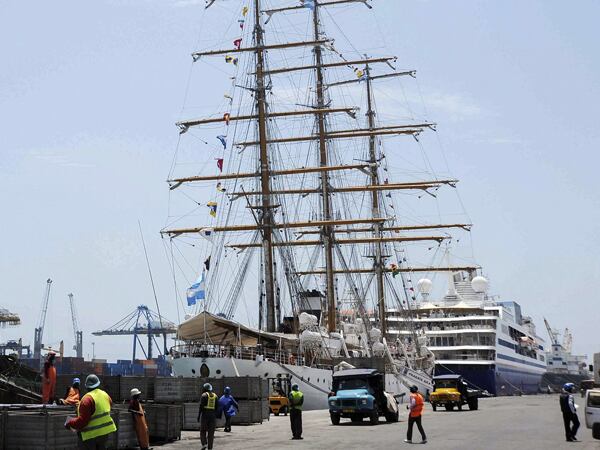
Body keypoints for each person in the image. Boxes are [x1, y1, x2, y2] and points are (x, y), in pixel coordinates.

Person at [65, 374, 117, 450]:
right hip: (104, 434)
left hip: (90, 436)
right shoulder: (105, 395)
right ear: (98, 384)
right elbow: (109, 406)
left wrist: (69, 423)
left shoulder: (87, 399)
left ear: (86, 386)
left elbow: (82, 422)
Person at [197, 383, 218, 450]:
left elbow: (201, 407)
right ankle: (210, 448)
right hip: (213, 416)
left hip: (205, 415)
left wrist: (199, 415)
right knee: (211, 433)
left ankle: (204, 444)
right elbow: (217, 407)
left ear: (204, 389)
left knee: (203, 430)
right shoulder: (215, 396)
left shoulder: (203, 395)